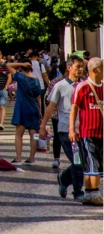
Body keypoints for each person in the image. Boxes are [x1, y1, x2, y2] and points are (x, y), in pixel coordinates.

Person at [40, 54, 86, 202]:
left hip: (83, 129)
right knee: (77, 161)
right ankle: (78, 191)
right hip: (66, 129)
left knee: (83, 162)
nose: (80, 70)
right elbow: (50, 107)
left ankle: (64, 179)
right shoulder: (60, 86)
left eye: (82, 67)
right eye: (77, 67)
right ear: (69, 67)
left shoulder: (84, 85)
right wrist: (43, 126)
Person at [69, 57, 103, 206]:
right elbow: (74, 108)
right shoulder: (82, 87)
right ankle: (94, 193)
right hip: (87, 131)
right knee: (91, 161)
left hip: (102, 131)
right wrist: (72, 129)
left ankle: (89, 193)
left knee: (97, 162)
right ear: (96, 70)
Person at [6, 59, 43, 169]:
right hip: (34, 108)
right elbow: (38, 97)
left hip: (22, 108)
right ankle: (31, 158)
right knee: (33, 134)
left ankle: (18, 158)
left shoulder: (20, 77)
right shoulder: (36, 80)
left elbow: (8, 65)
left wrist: (21, 63)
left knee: (19, 134)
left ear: (22, 68)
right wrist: (40, 111)